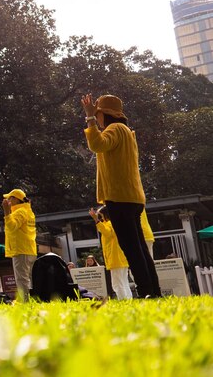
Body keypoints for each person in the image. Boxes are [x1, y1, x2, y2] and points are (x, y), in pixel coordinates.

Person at [82, 94, 161, 297]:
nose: (97, 118)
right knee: (139, 247)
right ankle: (153, 291)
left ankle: (146, 291)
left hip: (120, 197)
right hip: (131, 196)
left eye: (98, 114)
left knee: (131, 248)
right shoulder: (125, 131)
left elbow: (97, 145)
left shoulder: (115, 129)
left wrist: (89, 118)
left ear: (104, 114)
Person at [89, 206, 132, 300]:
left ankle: (123, 301)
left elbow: (107, 233)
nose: (100, 217)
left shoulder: (110, 223)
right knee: (123, 282)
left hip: (116, 258)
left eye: (100, 215)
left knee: (117, 283)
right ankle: (128, 300)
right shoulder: (116, 223)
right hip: (120, 258)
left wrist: (96, 220)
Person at [3, 189, 37, 301]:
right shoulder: (28, 211)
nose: (7, 200)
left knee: (22, 279)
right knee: (30, 278)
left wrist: (6, 212)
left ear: (16, 199)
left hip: (21, 250)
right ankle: (34, 300)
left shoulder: (20, 212)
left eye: (9, 198)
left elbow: (12, 227)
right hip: (29, 249)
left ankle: (25, 303)